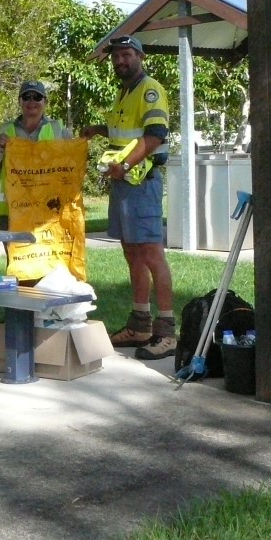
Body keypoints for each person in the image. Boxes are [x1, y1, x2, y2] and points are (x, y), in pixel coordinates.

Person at [80, 35, 175, 361]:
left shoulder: (151, 89)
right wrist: (98, 129)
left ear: (140, 56)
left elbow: (154, 135)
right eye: (116, 56)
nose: (120, 61)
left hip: (140, 182)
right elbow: (125, 132)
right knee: (132, 252)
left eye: (126, 54)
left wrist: (124, 165)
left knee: (152, 254)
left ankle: (166, 332)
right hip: (123, 184)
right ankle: (139, 325)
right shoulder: (124, 93)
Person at [0, 80, 72, 231]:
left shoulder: (59, 130)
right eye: (26, 97)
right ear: (19, 101)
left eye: (37, 97)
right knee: (14, 256)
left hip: (48, 210)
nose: (31, 101)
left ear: (45, 101)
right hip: (11, 212)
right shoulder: (3, 130)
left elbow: (72, 169)